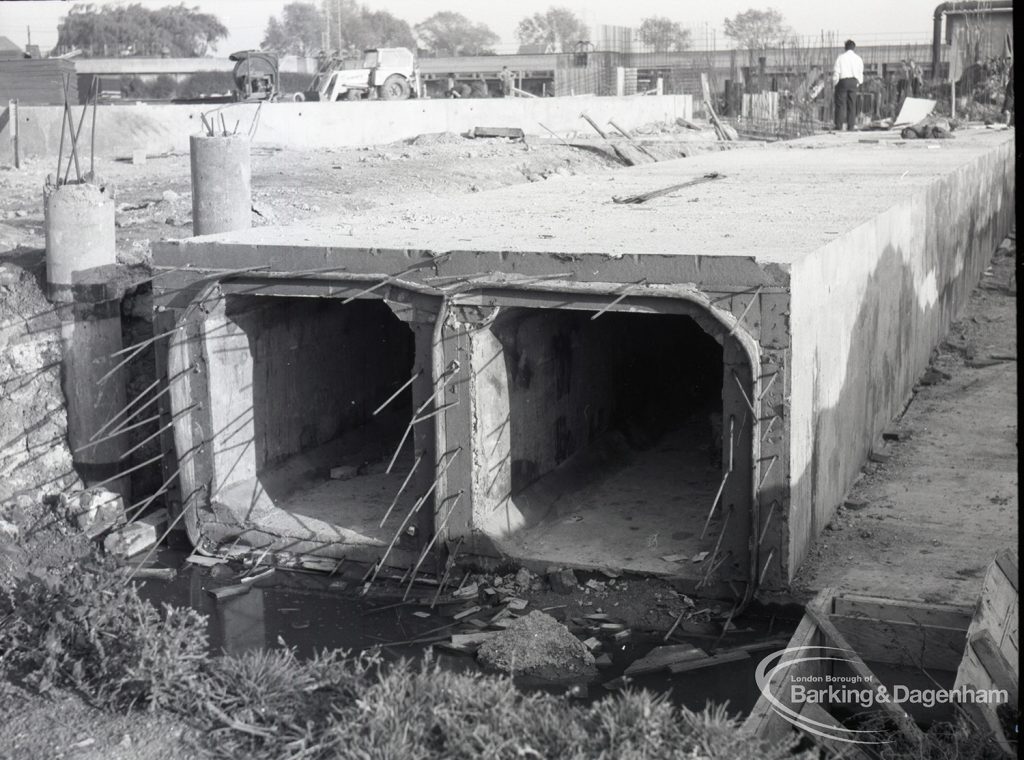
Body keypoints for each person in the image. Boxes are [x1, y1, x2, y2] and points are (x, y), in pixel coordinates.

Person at [832, 39, 864, 131]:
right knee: (852, 104)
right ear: (854, 48)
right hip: (854, 81)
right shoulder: (858, 58)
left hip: (843, 81)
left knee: (840, 104)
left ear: (845, 47)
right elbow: (860, 72)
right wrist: (858, 82)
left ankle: (839, 125)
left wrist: (835, 83)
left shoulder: (840, 57)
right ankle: (851, 126)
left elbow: (836, 72)